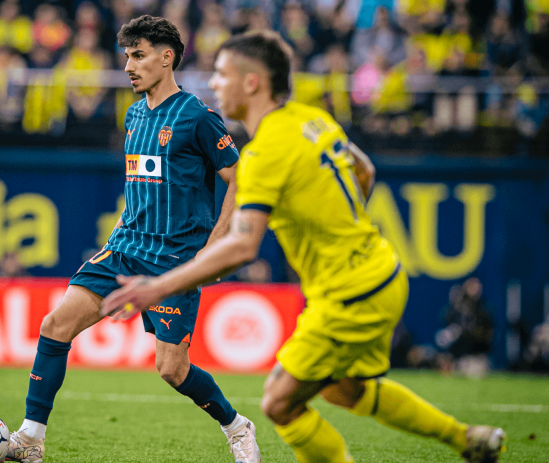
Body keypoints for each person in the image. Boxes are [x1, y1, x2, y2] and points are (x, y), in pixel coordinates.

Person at [101, 30, 507, 463]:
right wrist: (334, 227)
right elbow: (364, 171)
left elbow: (242, 247)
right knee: (346, 389)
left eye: (221, 74)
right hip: (381, 270)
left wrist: (159, 287)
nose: (214, 84)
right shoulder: (313, 119)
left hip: (351, 290)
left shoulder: (264, 154)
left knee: (279, 402)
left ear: (252, 83)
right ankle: (467, 439)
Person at [6, 15, 260, 463]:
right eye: (126, 55)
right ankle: (30, 438)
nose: (128, 65)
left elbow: (238, 180)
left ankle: (237, 426)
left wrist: (216, 247)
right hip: (125, 248)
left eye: (138, 55)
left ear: (167, 57)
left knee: (171, 369)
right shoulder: (133, 113)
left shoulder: (197, 117)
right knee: (54, 325)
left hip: (175, 259)